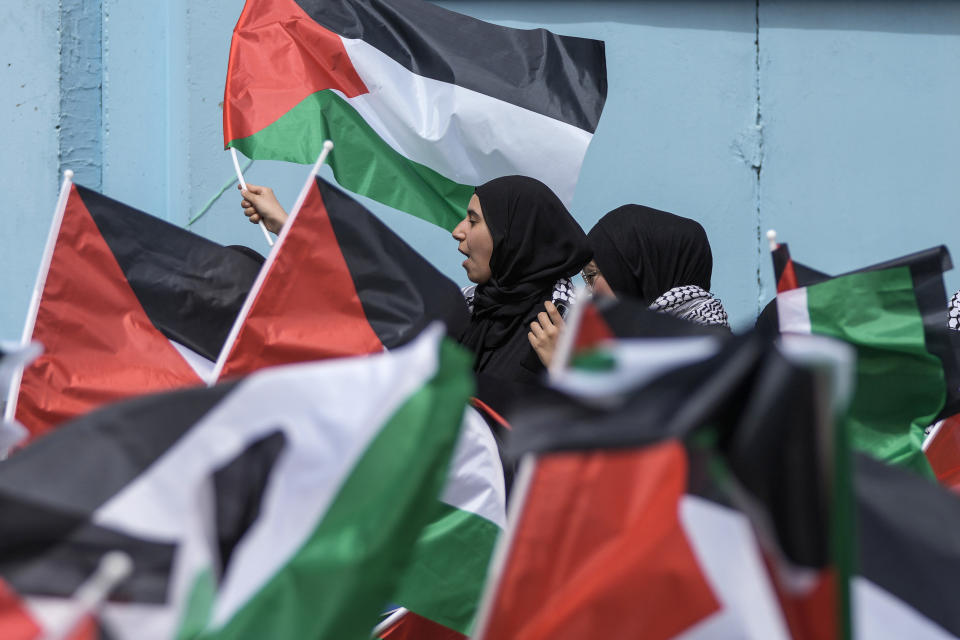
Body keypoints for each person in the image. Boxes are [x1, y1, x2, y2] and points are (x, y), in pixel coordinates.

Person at [528, 204, 729, 366]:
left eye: (591, 276)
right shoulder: (628, 345)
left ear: (633, 274)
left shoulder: (706, 355)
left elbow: (644, 414)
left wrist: (564, 369)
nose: (588, 291)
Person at [454, 175, 591, 389]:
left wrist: (567, 372)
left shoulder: (566, 326)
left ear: (513, 233)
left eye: (473, 221)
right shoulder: (466, 310)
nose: (457, 232)